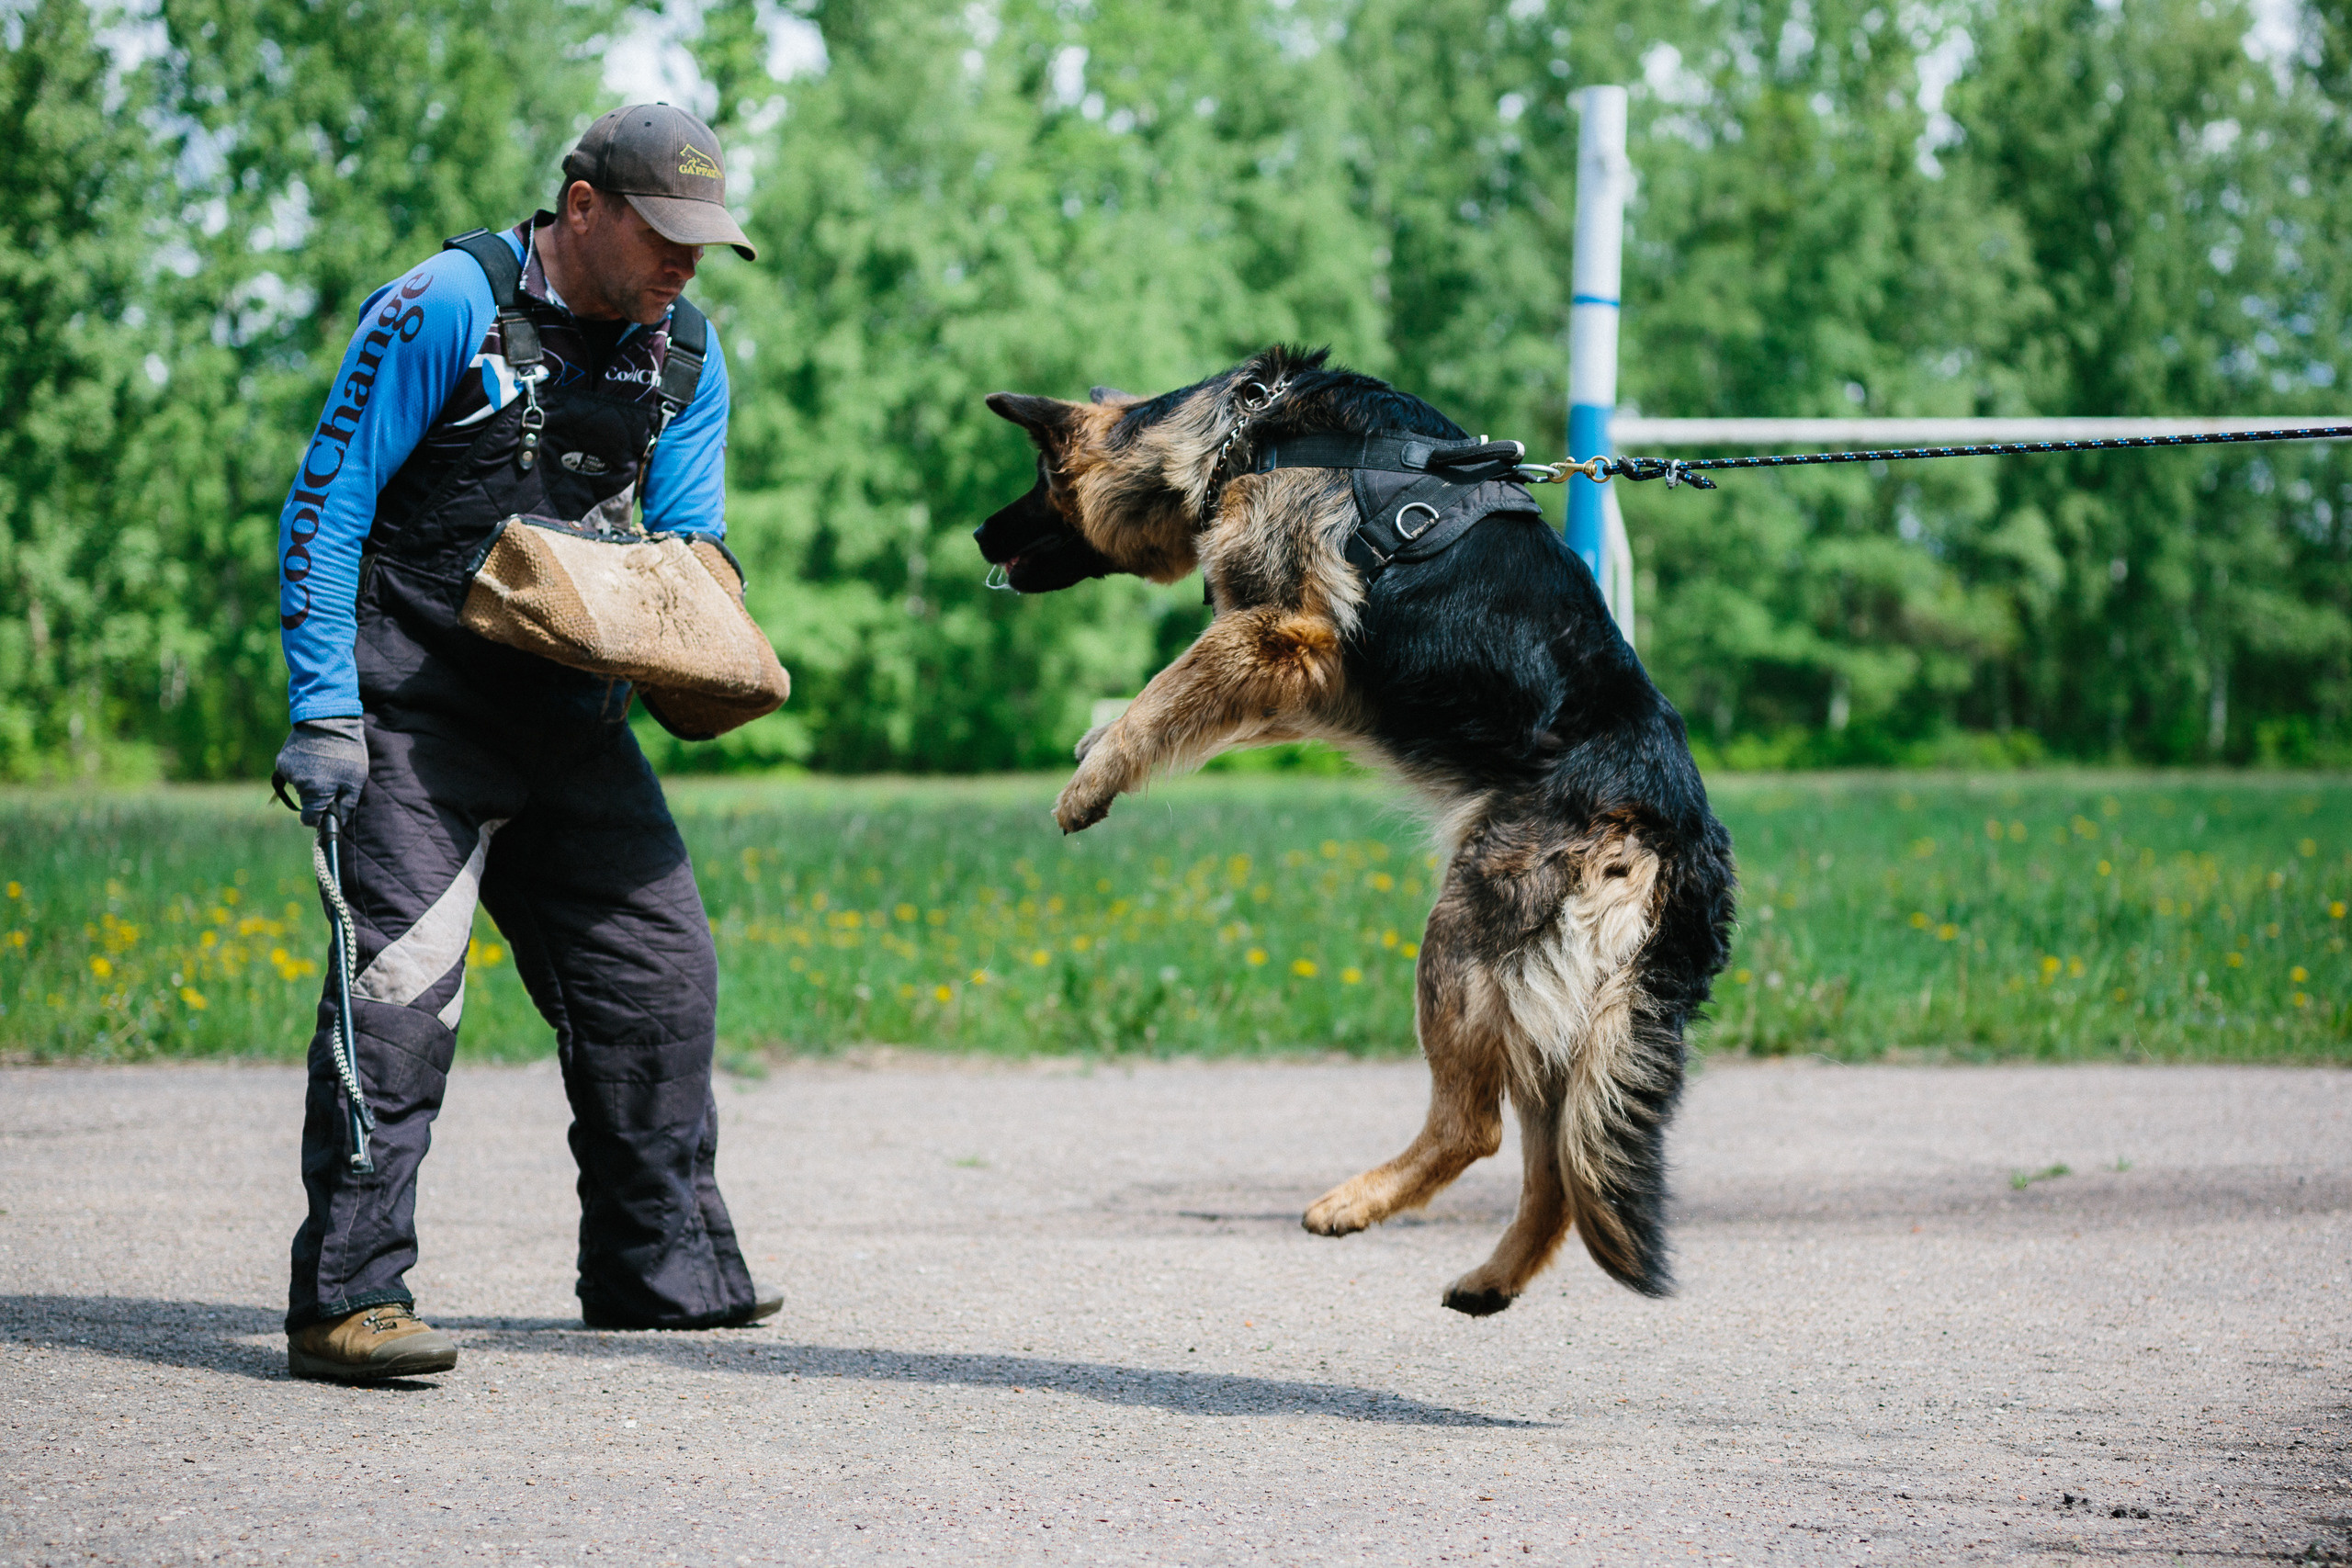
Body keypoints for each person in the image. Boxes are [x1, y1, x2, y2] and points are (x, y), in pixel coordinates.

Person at [269, 104, 778, 1382]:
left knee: (663, 986)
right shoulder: (446, 305)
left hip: (574, 722)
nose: (685, 263)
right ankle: (349, 1298)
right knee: (399, 1002)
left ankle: (660, 1275)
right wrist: (324, 705)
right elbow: (325, 509)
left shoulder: (686, 351)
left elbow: (689, 534)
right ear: (584, 203)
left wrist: (707, 633)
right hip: (415, 716)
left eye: (704, 243)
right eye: (663, 234)